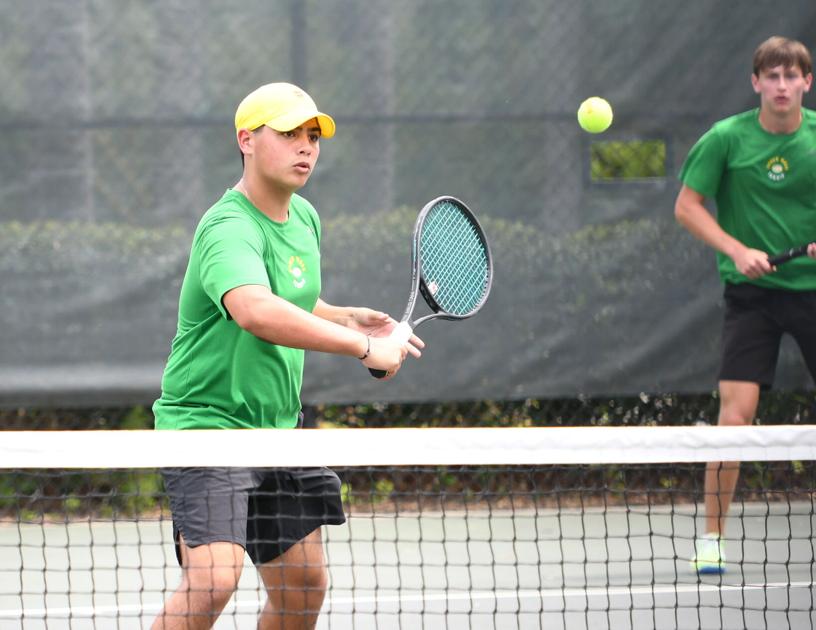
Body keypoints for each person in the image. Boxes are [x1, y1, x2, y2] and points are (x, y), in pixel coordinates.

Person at [151, 82, 423, 629]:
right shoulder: (227, 227)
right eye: (289, 134)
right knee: (212, 581)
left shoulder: (304, 219)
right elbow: (255, 309)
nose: (306, 147)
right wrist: (365, 347)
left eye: (312, 135)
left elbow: (289, 297)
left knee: (303, 587)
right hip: (209, 429)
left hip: (276, 430)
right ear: (247, 140)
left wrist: (345, 316)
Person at [674, 36, 816, 575]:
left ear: (807, 82)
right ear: (755, 83)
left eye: (792, 76)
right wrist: (738, 250)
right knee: (735, 418)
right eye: (772, 76)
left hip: (814, 291)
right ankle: (711, 539)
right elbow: (687, 207)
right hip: (751, 297)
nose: (782, 86)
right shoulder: (726, 139)